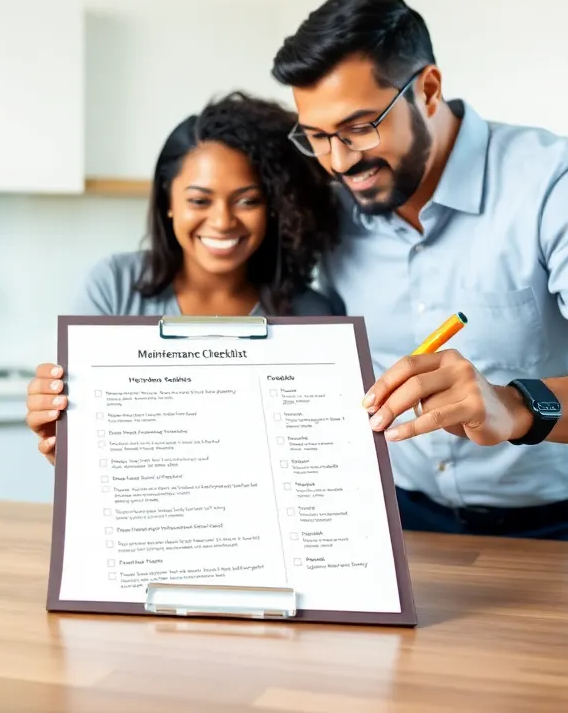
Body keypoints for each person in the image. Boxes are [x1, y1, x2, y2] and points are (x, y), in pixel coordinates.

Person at [261, 0, 568, 545]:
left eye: (361, 127)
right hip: (402, 522)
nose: (340, 161)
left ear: (428, 89)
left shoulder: (564, 184)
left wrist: (515, 405)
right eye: (317, 136)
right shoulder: (332, 205)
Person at [25, 92, 341, 461]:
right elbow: (84, 455)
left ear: (274, 208)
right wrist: (60, 443)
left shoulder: (312, 316)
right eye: (199, 201)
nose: (223, 221)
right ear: (168, 202)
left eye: (247, 200)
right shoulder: (113, 286)